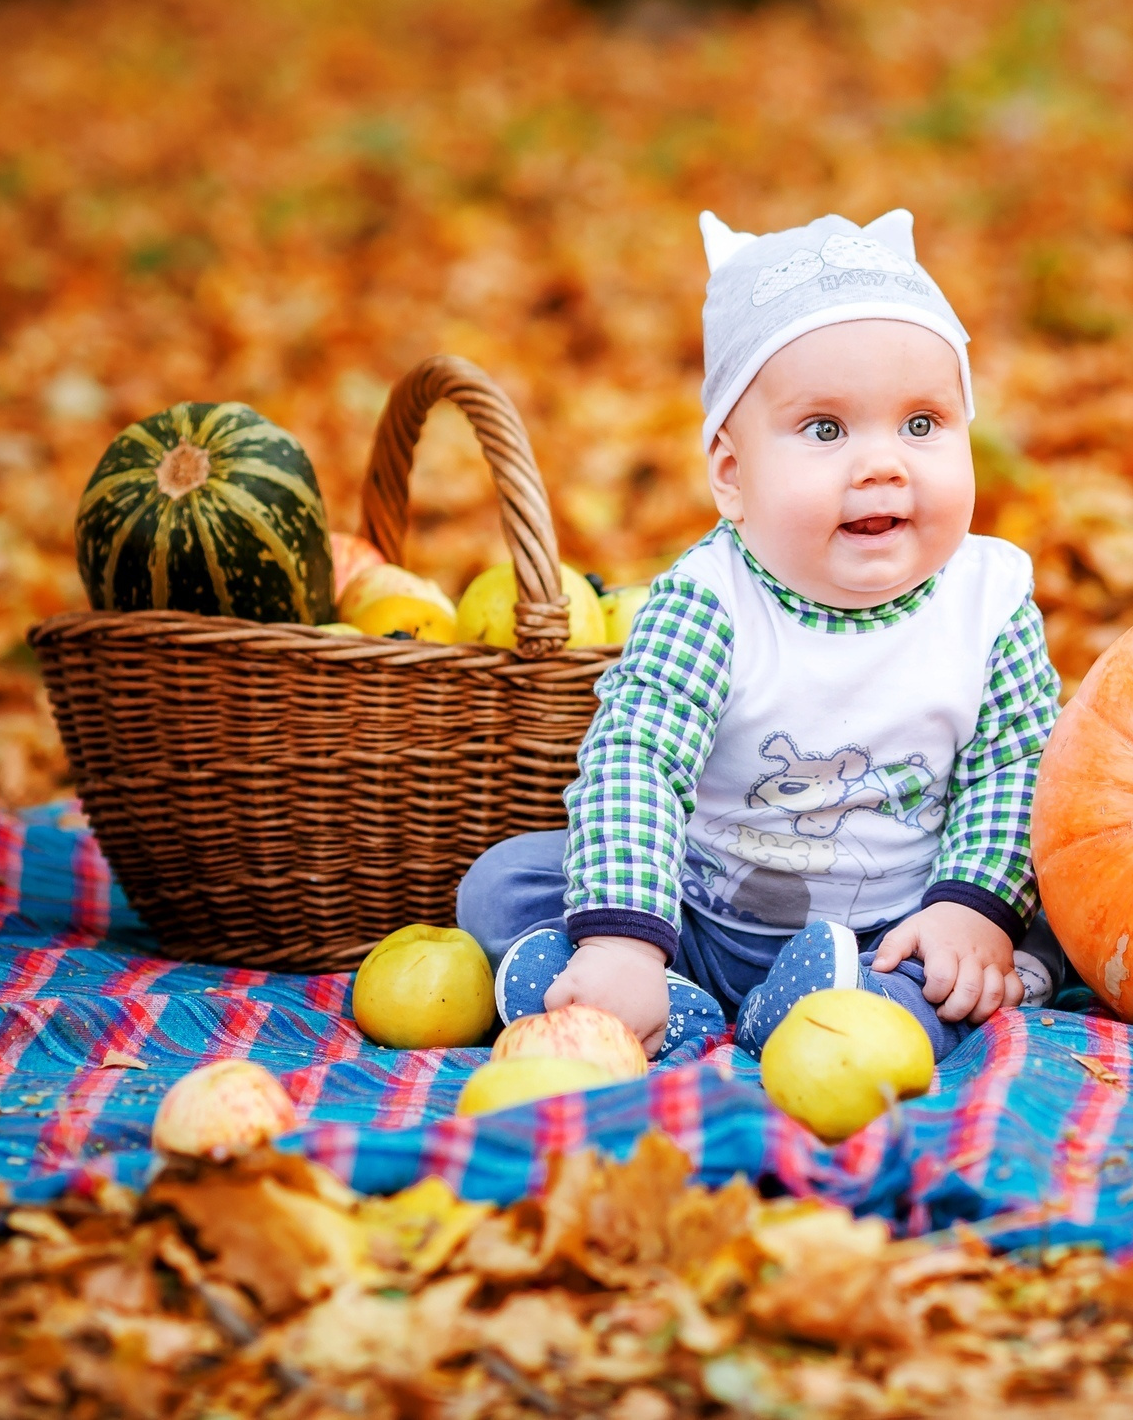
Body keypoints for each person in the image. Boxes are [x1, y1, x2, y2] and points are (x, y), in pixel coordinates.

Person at [456, 207, 1065, 1065]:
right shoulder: (710, 599)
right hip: (698, 916)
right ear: (733, 475)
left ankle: (842, 1004)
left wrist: (971, 907)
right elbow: (638, 760)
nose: (883, 463)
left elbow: (1014, 769)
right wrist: (625, 939)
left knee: (1014, 940)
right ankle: (655, 991)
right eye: (826, 429)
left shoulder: (989, 600)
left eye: (923, 423)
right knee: (502, 883)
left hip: (898, 929)